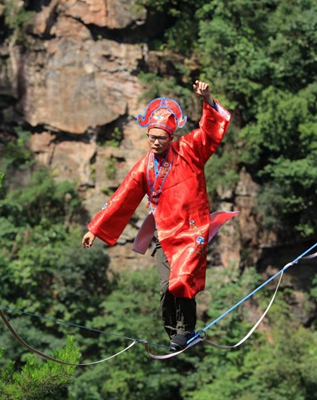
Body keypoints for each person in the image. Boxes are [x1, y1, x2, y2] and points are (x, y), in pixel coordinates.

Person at [82, 80, 236, 351]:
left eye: (160, 138)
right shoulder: (144, 167)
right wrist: (95, 228)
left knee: (182, 281)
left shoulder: (190, 150)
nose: (154, 142)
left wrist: (208, 98)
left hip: (191, 232)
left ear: (171, 137)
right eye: (151, 137)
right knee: (166, 288)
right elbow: (122, 197)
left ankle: (185, 332)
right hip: (163, 234)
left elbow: (210, 132)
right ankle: (174, 335)